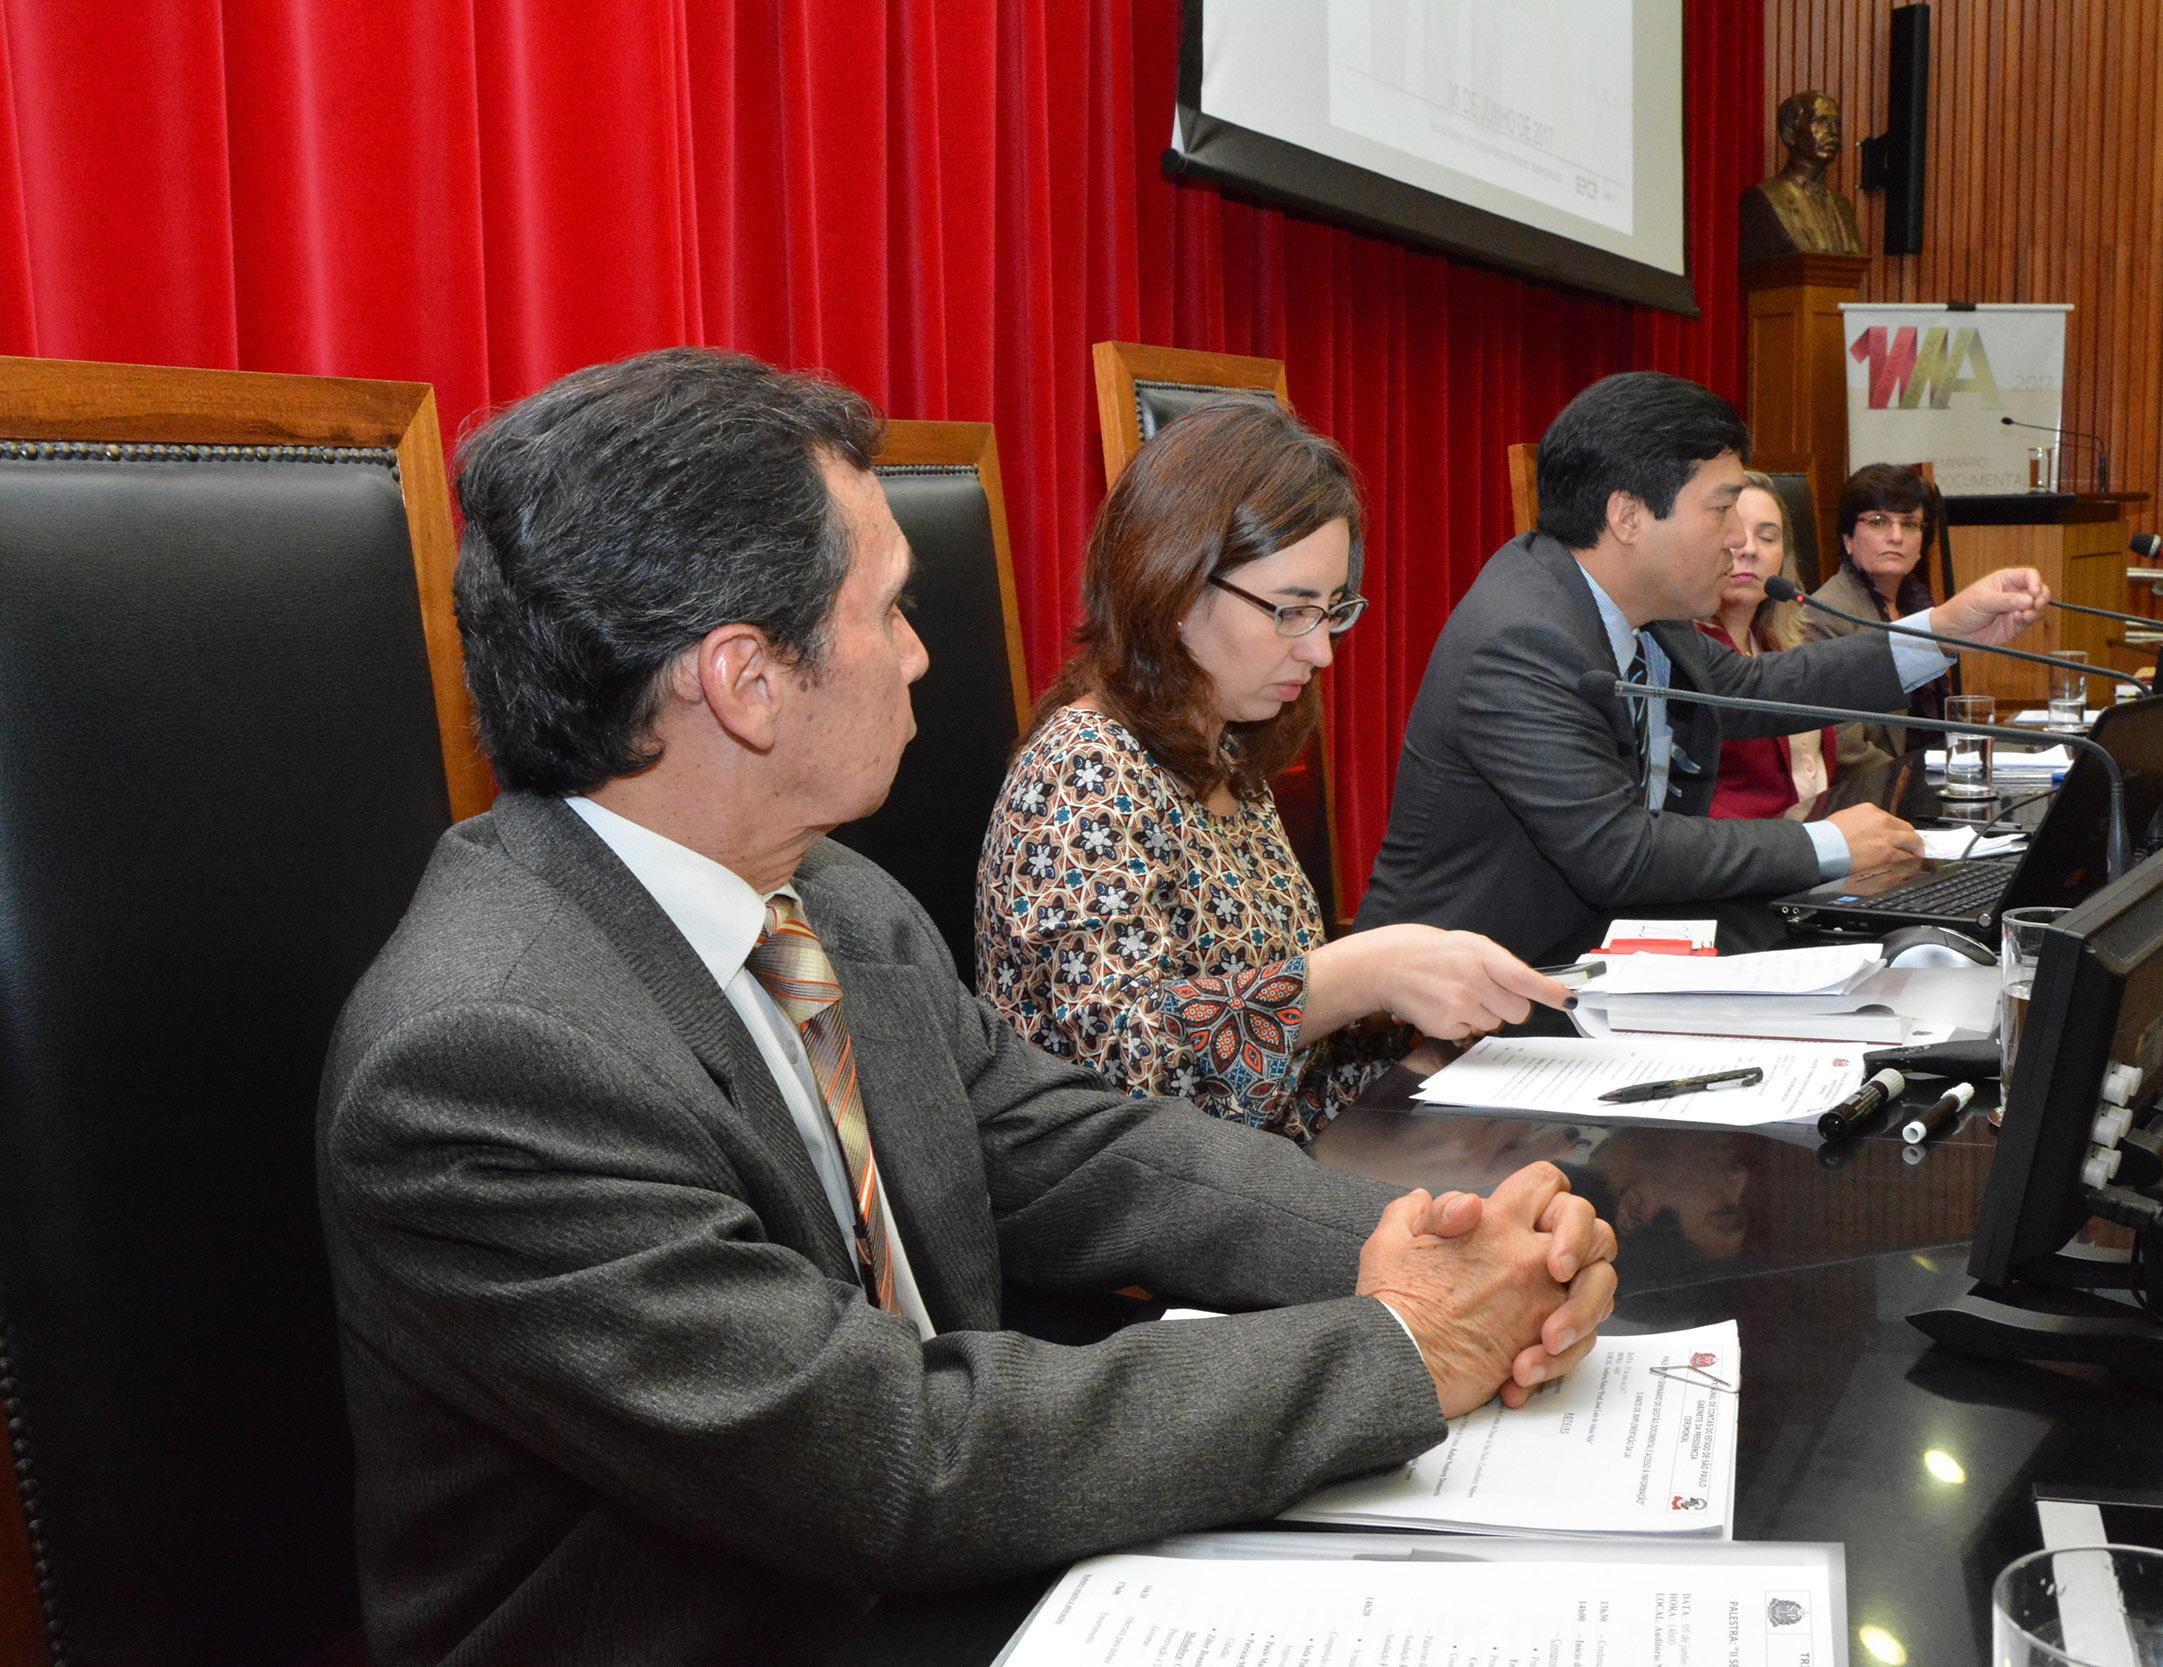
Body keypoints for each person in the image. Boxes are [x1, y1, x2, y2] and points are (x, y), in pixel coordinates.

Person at [316, 347, 1616, 1667]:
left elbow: (1080, 1148)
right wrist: (1400, 1343)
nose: (921, 653)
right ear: (744, 679)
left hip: (942, 1566)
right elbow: (881, 1448)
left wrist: (1430, 1242)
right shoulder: (487, 1056)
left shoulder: (831, 899)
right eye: (888, 610)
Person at [977, 398, 1568, 1145]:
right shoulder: (1081, 769)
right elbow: (1124, 1071)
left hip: (1256, 1167)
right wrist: (1358, 976)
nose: (1319, 651)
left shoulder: (1227, 752)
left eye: (1332, 610)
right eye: (1291, 610)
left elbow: (1286, 1072)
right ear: (1174, 586)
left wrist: (1434, 1046)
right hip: (1132, 1196)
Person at [1356, 371, 2050, 965]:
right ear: (1628, 516)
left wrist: (1944, 631)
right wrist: (1826, 844)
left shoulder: (1639, 607)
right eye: (1721, 510)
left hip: (1603, 950)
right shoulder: (1523, 637)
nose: (1737, 541)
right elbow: (1618, 851)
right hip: (1466, 994)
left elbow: (1760, 687)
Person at [1800, 463, 1948, 800]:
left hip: (1923, 782)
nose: (1896, 536)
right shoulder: (1825, 615)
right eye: (1878, 521)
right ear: (1848, 538)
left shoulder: (1921, 609)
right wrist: (1915, 788)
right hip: (1867, 797)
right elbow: (1844, 747)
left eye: (1909, 524)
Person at [1698, 472, 1837, 822]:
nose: (1749, 549)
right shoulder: (1681, 655)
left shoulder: (1780, 646)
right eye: (1733, 531)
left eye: (1767, 537)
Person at [1737, 90, 1866, 262]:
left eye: (1836, 123)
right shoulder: (1763, 199)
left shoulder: (1843, 206)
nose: (1833, 131)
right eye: (1820, 121)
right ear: (1789, 133)